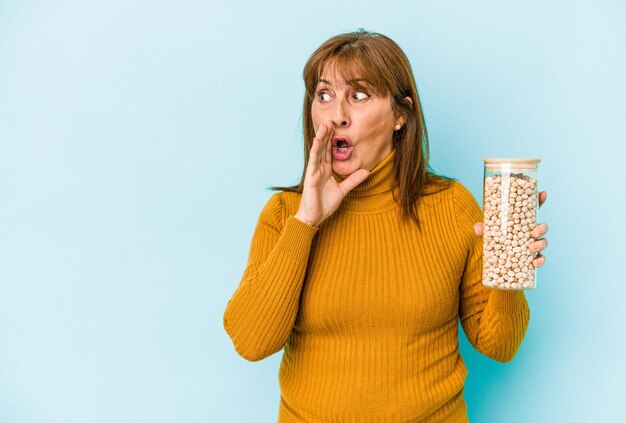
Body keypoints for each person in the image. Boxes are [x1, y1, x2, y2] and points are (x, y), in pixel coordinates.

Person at [223, 30, 549, 422]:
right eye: (324, 95)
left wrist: (508, 273)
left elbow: (500, 345)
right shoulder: (284, 213)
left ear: (400, 115)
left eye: (359, 95)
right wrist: (306, 221)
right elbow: (252, 341)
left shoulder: (451, 206)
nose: (336, 114)